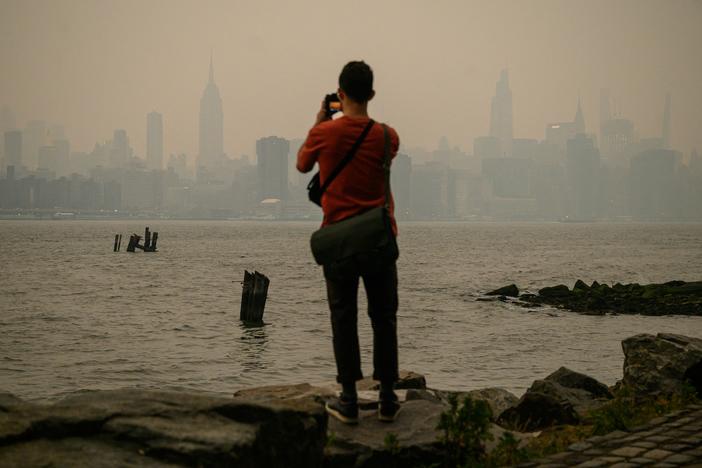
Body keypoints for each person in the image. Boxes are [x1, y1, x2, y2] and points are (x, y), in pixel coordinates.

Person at [297, 61, 401, 424]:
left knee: (344, 318)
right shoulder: (388, 136)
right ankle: (388, 398)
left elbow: (301, 164)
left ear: (340, 95)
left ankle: (349, 401)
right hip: (378, 239)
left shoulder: (325, 133)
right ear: (372, 94)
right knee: (384, 318)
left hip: (339, 241)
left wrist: (322, 119)